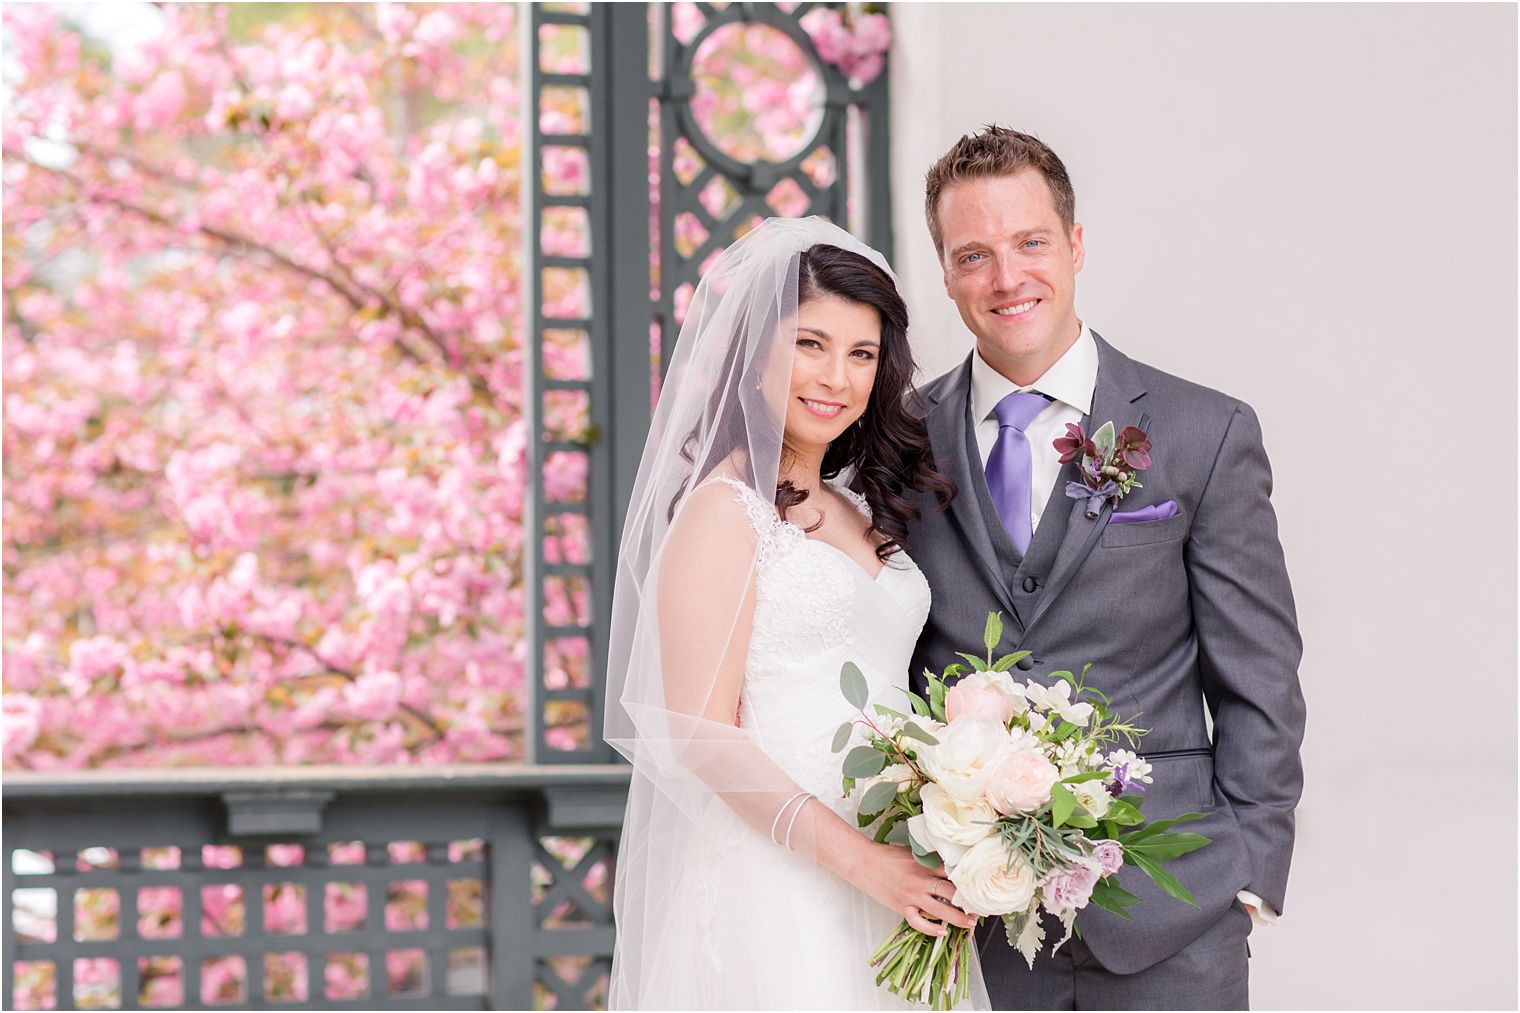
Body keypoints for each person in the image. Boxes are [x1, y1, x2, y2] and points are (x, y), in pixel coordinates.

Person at [904, 126, 1306, 1010]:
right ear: (945, 273)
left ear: (1076, 245)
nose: (1007, 277)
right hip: (970, 928)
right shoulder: (898, 442)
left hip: (1172, 915)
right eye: (974, 254)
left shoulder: (1206, 432)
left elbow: (1261, 676)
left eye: (1030, 242)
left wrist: (1249, 871)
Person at [605, 217, 986, 1009]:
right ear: (757, 353)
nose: (835, 377)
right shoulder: (723, 510)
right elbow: (700, 733)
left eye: (861, 354)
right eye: (810, 344)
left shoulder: (854, 506)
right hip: (779, 879)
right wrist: (860, 862)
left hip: (896, 873)